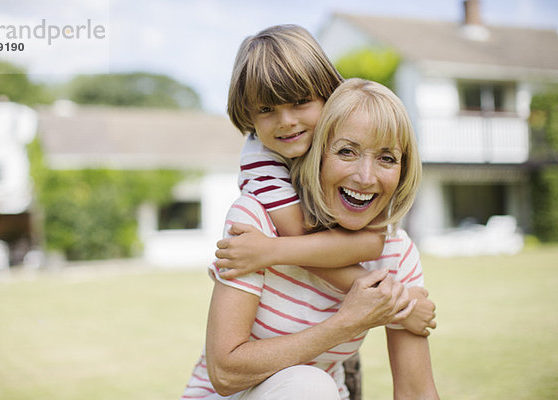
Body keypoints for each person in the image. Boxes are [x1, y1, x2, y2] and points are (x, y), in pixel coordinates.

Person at [180, 78, 439, 399]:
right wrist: (346, 323)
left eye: (387, 158)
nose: (365, 177)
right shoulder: (255, 224)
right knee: (308, 385)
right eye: (347, 151)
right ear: (317, 153)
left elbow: (416, 392)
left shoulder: (396, 253)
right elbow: (225, 373)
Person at [216, 24, 435, 338]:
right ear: (248, 115)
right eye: (266, 109)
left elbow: (371, 242)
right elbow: (305, 241)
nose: (286, 121)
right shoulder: (261, 159)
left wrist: (270, 250)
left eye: (300, 102)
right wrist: (400, 305)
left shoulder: (350, 139)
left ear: (327, 95)